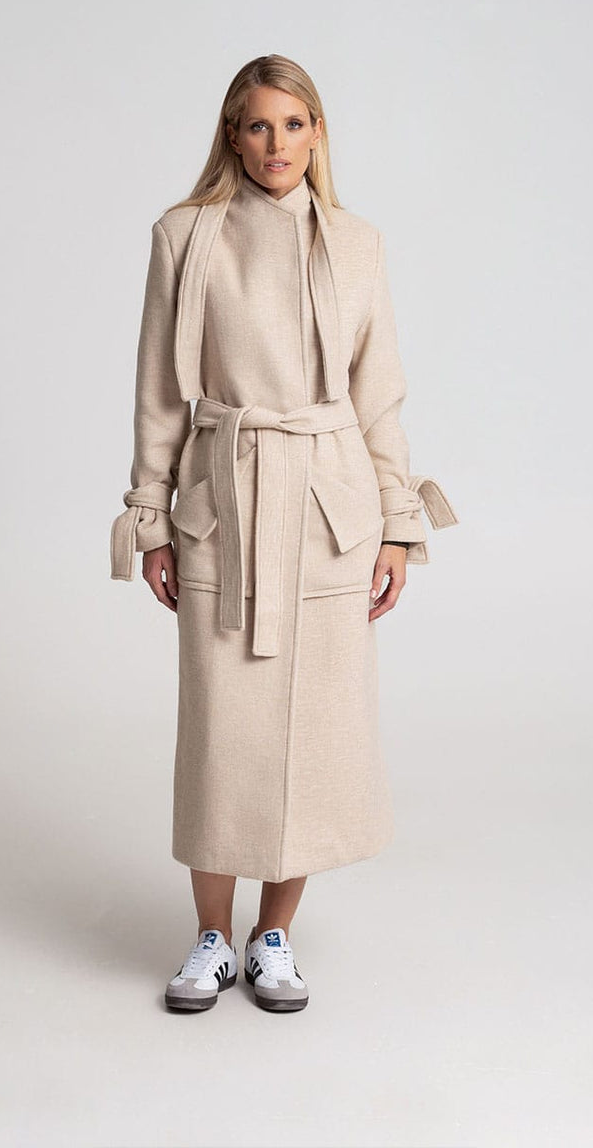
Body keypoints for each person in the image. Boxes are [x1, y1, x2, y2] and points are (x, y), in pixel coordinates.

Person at [110, 53, 458, 1013]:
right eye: (259, 125)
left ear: (317, 133)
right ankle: (209, 937)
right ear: (232, 133)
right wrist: (152, 520)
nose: (277, 144)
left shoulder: (357, 244)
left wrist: (396, 527)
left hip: (328, 513)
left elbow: (378, 399)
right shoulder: (184, 236)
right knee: (222, 735)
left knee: (314, 736)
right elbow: (159, 395)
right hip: (223, 503)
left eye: (295, 124)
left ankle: (274, 936)